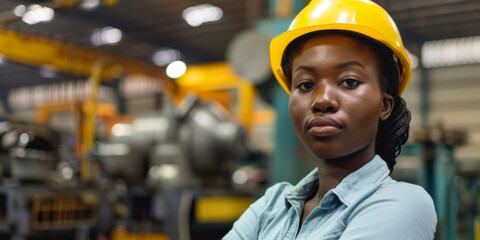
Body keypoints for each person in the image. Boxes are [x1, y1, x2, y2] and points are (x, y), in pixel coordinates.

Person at [223, 0, 437, 239]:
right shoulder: (272, 206)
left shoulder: (404, 205)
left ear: (385, 105)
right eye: (305, 84)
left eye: (349, 82)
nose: (322, 100)